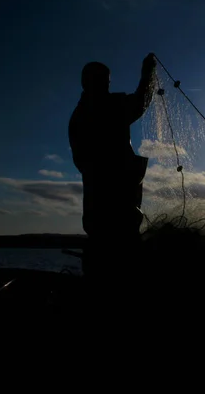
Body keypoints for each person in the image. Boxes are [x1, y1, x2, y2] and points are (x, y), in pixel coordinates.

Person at [69, 53, 157, 277]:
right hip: (118, 206)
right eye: (105, 82)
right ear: (93, 82)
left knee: (100, 249)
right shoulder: (108, 107)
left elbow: (80, 161)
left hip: (96, 210)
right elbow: (140, 102)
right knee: (124, 253)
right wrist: (148, 73)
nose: (108, 86)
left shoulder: (77, 116)